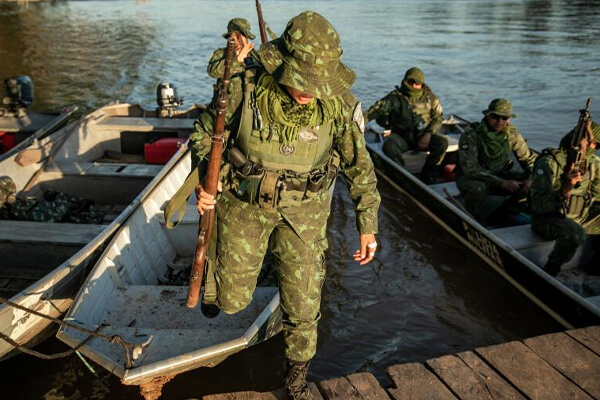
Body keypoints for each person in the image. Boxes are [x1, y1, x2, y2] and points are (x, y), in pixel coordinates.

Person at [190, 11, 380, 400]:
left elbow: (361, 167)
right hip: (245, 207)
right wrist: (208, 182)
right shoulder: (246, 87)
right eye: (303, 81)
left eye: (318, 82)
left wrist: (367, 223)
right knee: (232, 303)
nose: (310, 90)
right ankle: (215, 277)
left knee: (304, 303)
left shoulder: (339, 106)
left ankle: (296, 381)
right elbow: (203, 137)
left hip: (305, 214)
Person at [528, 120, 600, 276]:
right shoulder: (549, 163)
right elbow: (538, 205)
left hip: (581, 215)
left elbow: (597, 195)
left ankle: (595, 264)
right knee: (575, 234)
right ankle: (551, 269)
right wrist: (565, 188)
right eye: (593, 144)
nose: (594, 149)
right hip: (549, 218)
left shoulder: (593, 164)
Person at [455, 98, 537, 223]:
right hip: (472, 178)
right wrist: (501, 183)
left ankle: (505, 211)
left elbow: (529, 160)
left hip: (500, 174)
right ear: (488, 116)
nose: (500, 122)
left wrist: (530, 179)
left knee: (535, 182)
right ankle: (474, 219)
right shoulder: (472, 135)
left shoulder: (511, 135)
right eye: (495, 117)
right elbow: (470, 169)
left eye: (504, 118)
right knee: (478, 188)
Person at [363, 67, 447, 183]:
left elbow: (438, 118)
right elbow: (374, 111)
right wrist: (358, 122)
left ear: (421, 85)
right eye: (410, 82)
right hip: (402, 137)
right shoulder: (395, 97)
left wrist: (428, 134)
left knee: (442, 143)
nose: (413, 86)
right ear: (404, 81)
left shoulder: (430, 98)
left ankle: (426, 175)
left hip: (422, 137)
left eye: (416, 83)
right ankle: (403, 178)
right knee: (389, 146)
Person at [207, 18, 261, 105]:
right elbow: (212, 72)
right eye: (234, 38)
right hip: (225, 112)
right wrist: (237, 60)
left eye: (241, 38)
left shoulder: (256, 57)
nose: (237, 42)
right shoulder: (221, 54)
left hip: (247, 112)